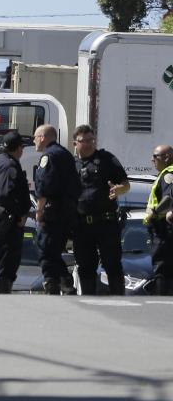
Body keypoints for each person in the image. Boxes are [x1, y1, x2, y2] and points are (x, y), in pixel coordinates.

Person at [72, 124, 130, 295]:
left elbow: (125, 184)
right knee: (85, 266)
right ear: (75, 143)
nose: (89, 143)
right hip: (82, 226)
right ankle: (89, 301)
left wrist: (119, 189)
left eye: (91, 140)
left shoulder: (106, 159)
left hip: (106, 223)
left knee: (112, 264)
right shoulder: (71, 165)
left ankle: (119, 301)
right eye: (85, 141)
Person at [33, 124, 80, 295]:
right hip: (66, 212)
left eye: (35, 137)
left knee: (46, 249)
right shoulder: (65, 154)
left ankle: (61, 283)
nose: (34, 141)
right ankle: (53, 283)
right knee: (52, 249)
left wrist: (39, 211)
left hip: (53, 212)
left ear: (43, 138)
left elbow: (44, 186)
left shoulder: (49, 156)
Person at [0, 131, 32, 294]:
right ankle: (3, 298)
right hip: (8, 221)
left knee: (6, 263)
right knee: (8, 264)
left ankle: (3, 294)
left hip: (2, 219)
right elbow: (7, 194)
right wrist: (20, 214)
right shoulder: (9, 165)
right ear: (19, 148)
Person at [145, 144, 173, 295]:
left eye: (155, 156)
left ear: (167, 157)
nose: (152, 159)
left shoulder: (168, 174)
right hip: (164, 231)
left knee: (161, 269)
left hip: (164, 231)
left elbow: (168, 200)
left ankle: (161, 303)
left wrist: (154, 213)